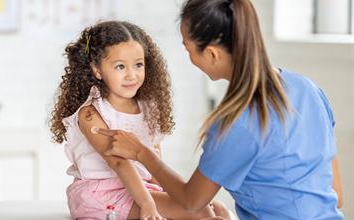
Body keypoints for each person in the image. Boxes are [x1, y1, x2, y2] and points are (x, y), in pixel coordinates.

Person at [94, 0, 344, 219]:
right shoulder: (307, 88)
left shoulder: (236, 121)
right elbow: (335, 195)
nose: (189, 57)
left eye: (188, 48)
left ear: (212, 54)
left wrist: (140, 152)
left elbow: (192, 200)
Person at [49, 21, 231, 219]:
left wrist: (174, 196)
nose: (132, 75)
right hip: (101, 193)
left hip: (140, 188)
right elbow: (119, 164)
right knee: (200, 212)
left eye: (138, 64)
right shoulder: (92, 114)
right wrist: (148, 203)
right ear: (97, 70)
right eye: (120, 66)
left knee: (215, 209)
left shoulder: (148, 109)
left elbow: (155, 164)